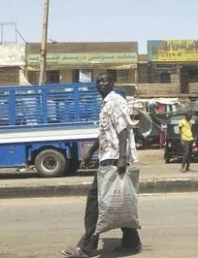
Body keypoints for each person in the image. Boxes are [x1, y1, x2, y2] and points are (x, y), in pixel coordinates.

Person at [62, 73, 141, 258]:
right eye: (98, 81)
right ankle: (132, 242)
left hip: (114, 157)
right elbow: (106, 133)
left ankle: (87, 247)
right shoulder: (106, 103)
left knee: (96, 200)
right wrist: (90, 152)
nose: (101, 84)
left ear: (112, 83)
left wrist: (122, 157)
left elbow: (122, 130)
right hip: (108, 156)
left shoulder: (115, 101)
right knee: (117, 200)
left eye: (105, 80)